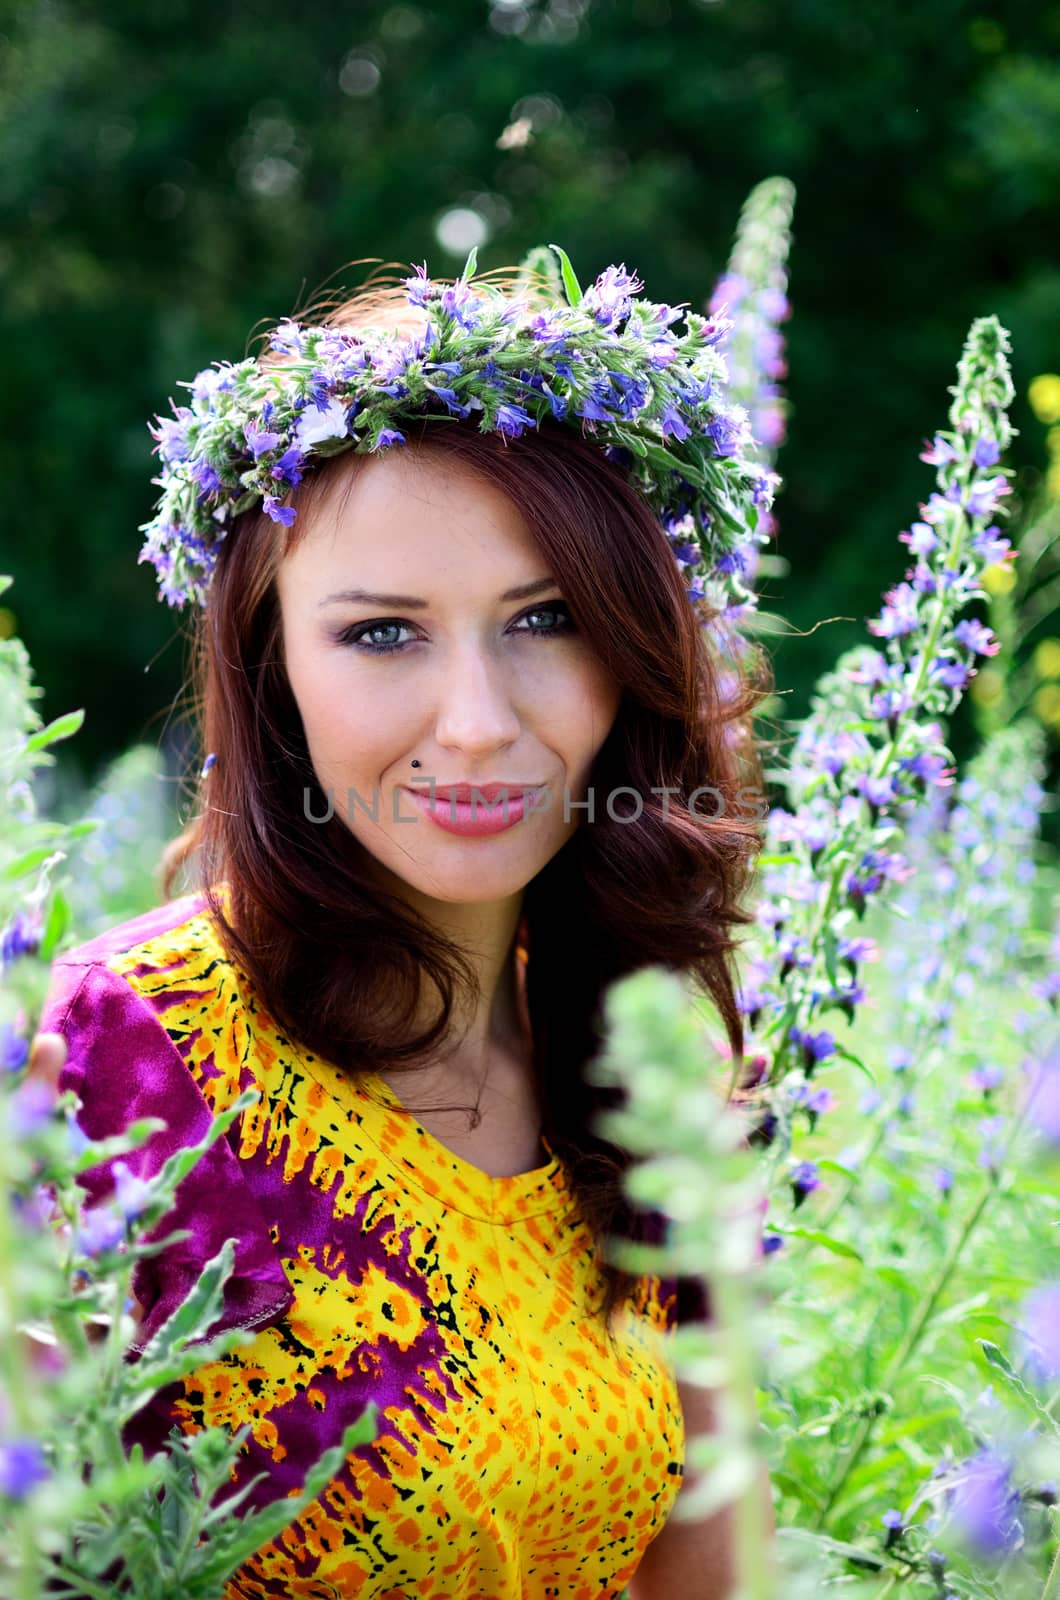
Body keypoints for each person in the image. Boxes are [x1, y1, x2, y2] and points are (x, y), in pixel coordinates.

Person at [33, 250, 775, 1598]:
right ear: (272, 670)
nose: (480, 723)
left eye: (545, 620)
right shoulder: (107, 1065)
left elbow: (705, 1561)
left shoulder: (649, 1059)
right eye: (384, 635)